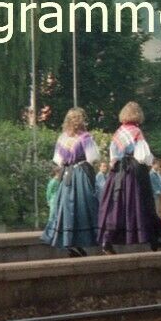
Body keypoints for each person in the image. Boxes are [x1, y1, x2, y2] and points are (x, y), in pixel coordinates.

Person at [97, 101, 161, 253]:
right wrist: (149, 163)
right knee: (144, 204)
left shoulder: (118, 132)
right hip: (135, 171)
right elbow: (144, 156)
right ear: (138, 116)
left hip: (117, 173)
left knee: (116, 206)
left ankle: (107, 240)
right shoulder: (136, 132)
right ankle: (154, 239)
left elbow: (113, 156)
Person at [42, 108, 101, 257]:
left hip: (67, 175)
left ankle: (68, 242)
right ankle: (82, 241)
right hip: (81, 174)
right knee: (84, 206)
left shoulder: (62, 138)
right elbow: (92, 158)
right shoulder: (85, 137)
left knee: (65, 208)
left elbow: (58, 160)